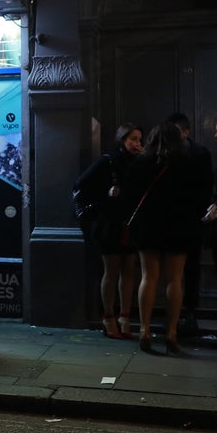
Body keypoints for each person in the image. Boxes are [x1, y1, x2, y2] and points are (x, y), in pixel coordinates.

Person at [125, 122, 204, 355]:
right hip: (179, 227)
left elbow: (129, 197)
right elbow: (199, 198)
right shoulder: (190, 164)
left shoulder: (141, 163)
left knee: (148, 278)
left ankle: (145, 331)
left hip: (149, 227)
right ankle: (171, 333)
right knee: (175, 279)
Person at [74, 123, 143, 338]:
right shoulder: (108, 161)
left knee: (129, 271)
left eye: (140, 140)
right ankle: (108, 316)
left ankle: (124, 315)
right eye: (133, 139)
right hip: (109, 223)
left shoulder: (140, 163)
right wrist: (105, 195)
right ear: (122, 139)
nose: (137, 144)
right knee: (111, 271)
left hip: (130, 223)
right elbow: (80, 185)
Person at [166, 113, 215, 337]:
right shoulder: (167, 153)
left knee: (191, 268)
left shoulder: (201, 154)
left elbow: (206, 187)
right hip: (172, 219)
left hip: (192, 219)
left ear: (186, 132)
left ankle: (190, 312)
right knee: (171, 270)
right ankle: (176, 313)